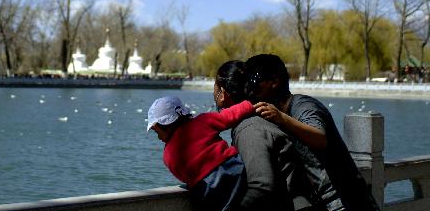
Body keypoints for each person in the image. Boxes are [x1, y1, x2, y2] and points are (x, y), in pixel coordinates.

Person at [245, 53, 380, 211]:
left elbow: (320, 138)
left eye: (254, 82)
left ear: (274, 81)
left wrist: (281, 117)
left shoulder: (304, 106)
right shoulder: (274, 116)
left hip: (346, 200)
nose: (251, 90)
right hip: (324, 201)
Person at [215, 60, 313, 211]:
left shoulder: (249, 128)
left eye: (214, 88)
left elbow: (262, 186)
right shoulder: (261, 119)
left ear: (222, 93)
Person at [147, 95, 253, 210]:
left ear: (164, 125)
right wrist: (249, 105)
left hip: (205, 188)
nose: (158, 137)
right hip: (234, 169)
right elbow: (229, 116)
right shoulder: (203, 121)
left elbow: (185, 178)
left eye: (157, 132)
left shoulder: (168, 155)